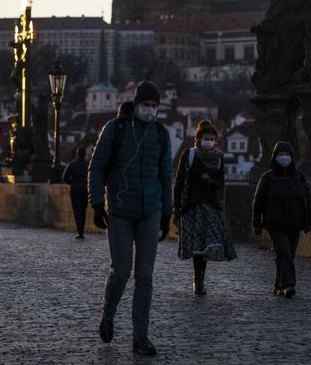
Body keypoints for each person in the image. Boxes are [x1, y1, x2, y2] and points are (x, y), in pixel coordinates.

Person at [88, 81, 172, 357]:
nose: (150, 110)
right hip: (121, 210)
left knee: (145, 276)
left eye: (155, 106)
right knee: (121, 271)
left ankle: (140, 337)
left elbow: (165, 177)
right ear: (136, 105)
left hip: (150, 210)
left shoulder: (160, 134)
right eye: (147, 105)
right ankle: (108, 314)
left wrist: (166, 213)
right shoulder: (116, 128)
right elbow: (97, 167)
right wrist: (98, 204)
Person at [173, 120, 236, 296]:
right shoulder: (190, 155)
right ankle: (198, 280)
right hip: (192, 207)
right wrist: (176, 207)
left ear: (216, 140)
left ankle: (199, 279)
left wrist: (211, 181)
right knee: (197, 246)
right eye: (206, 138)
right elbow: (179, 182)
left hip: (210, 207)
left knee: (206, 244)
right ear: (198, 139)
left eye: (212, 139)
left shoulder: (218, 158)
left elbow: (221, 183)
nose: (209, 141)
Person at [252, 141, 311, 299]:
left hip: (295, 223)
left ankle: (278, 284)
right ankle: (289, 285)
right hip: (275, 224)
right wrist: (256, 223)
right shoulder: (268, 177)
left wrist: (309, 221)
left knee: (288, 255)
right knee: (284, 252)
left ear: (292, 158)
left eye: (287, 155)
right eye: (281, 155)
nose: (284, 158)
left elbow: (308, 201)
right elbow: (258, 201)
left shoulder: (299, 177)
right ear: (275, 157)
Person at [62, 146, 89, 239]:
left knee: (77, 211)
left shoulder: (72, 164)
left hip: (75, 190)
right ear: (85, 154)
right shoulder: (88, 164)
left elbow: (64, 177)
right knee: (83, 211)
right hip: (85, 189)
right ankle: (82, 230)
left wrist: (72, 183)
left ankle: (80, 232)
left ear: (77, 154)